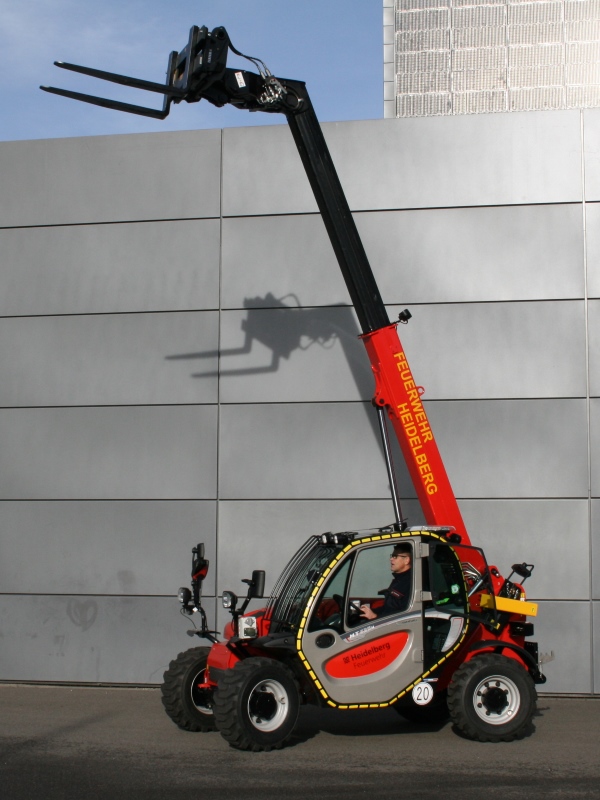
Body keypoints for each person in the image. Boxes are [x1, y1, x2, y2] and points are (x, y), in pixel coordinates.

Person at [360, 543, 412, 620]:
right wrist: (371, 611)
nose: (391, 559)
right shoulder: (398, 580)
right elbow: (387, 609)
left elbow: (404, 616)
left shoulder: (410, 583)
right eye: (392, 556)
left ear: (406, 560)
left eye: (395, 556)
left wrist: (374, 617)